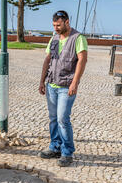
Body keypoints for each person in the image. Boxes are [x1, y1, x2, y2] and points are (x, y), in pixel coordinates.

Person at [38, 11, 88, 167]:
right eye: (54, 25)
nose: (56, 28)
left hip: (66, 86)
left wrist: (75, 83)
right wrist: (42, 81)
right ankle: (55, 147)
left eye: (58, 25)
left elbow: (82, 60)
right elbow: (47, 59)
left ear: (67, 22)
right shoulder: (53, 38)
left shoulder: (78, 38)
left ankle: (67, 152)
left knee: (62, 119)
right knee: (53, 118)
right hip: (51, 84)